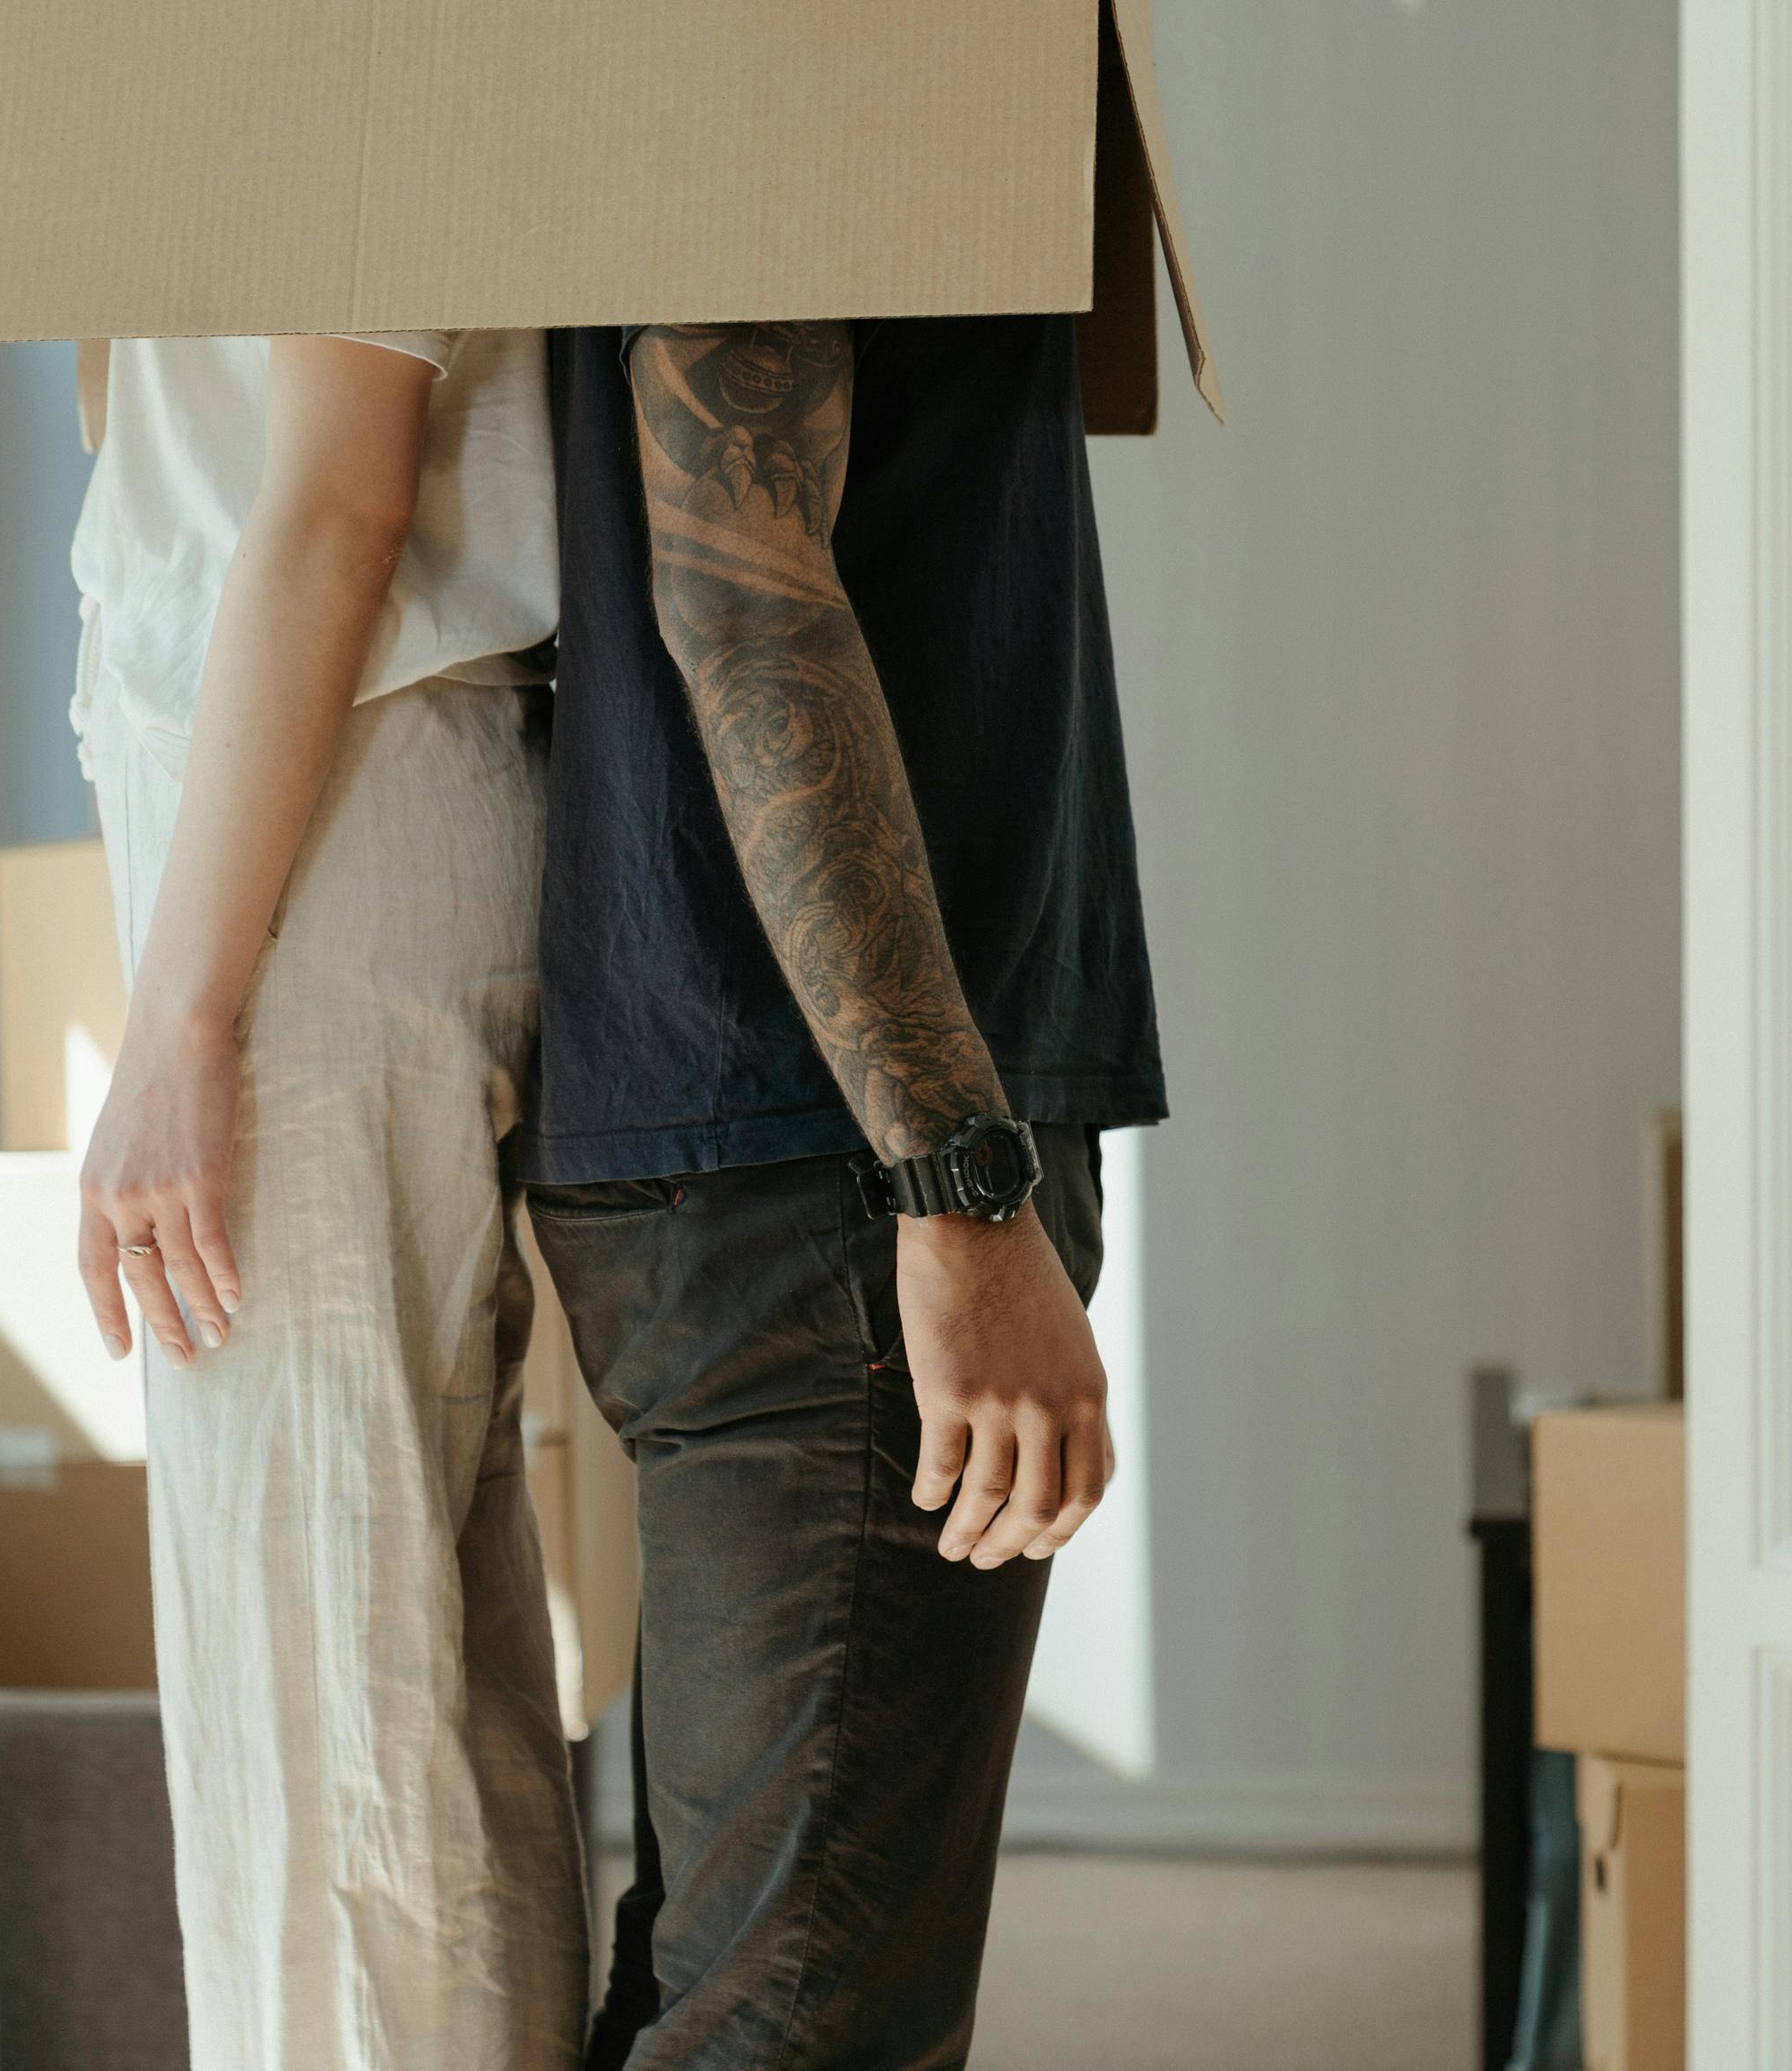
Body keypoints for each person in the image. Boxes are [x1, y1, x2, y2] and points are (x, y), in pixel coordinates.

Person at [525, 314, 1164, 2068]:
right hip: (848, 1169)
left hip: (795, 1141)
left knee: (735, 1984)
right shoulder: (826, 41)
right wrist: (955, 1183)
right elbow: (736, 592)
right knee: (794, 2023)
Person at [66, 329, 584, 2071]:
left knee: (318, 1714)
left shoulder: (303, 45)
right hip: (320, 811)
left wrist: (181, 1022)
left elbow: (342, 488)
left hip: (325, 829)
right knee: (412, 1676)